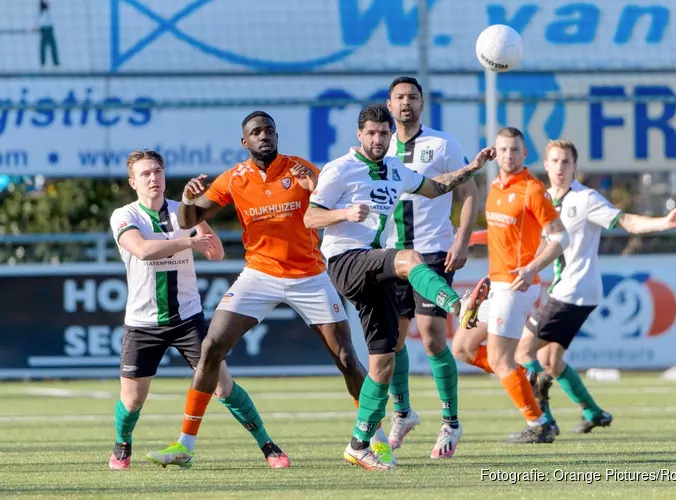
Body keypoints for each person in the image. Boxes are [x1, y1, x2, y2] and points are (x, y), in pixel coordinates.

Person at [146, 111, 372, 469]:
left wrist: (314, 186)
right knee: (212, 345)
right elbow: (189, 222)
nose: (263, 135)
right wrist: (189, 199)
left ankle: (368, 440)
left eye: (268, 130)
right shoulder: (235, 178)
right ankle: (185, 444)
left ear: (276, 136)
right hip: (259, 274)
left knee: (346, 357)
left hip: (309, 275)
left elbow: (334, 206)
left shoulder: (300, 168)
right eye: (255, 132)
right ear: (244, 142)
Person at [304, 104, 492, 471]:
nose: (377, 139)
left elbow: (436, 187)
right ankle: (457, 305)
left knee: (383, 363)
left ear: (391, 135)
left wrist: (471, 168)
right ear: (359, 135)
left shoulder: (395, 169)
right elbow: (311, 217)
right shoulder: (340, 169)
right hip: (346, 261)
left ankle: (359, 444)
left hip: (373, 267)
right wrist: (343, 214)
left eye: (383, 134)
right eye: (370, 133)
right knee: (408, 258)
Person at [109, 150, 277, 470]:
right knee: (132, 401)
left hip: (188, 319)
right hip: (143, 322)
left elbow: (215, 253)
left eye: (157, 171)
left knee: (223, 387)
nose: (153, 178)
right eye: (144, 174)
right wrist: (189, 242)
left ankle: (269, 446)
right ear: (133, 182)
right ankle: (122, 444)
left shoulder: (182, 212)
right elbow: (142, 251)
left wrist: (198, 223)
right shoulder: (124, 215)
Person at [512, 139, 676, 434]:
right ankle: (594, 413)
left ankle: (542, 423)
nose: (559, 167)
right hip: (573, 290)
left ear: (575, 167)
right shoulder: (541, 199)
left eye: (566, 162)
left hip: (573, 289)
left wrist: (664, 223)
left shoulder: (585, 199)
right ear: (545, 165)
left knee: (522, 352)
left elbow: (628, 222)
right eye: (554, 161)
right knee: (550, 360)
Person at [450, 127, 569, 444]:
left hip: (517, 285)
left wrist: (531, 268)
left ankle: (539, 423)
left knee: (502, 358)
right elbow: (502, 238)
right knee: (462, 347)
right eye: (502, 150)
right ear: (494, 152)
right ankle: (528, 377)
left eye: (514, 150)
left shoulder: (532, 189)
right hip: (498, 283)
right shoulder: (495, 186)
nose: (508, 155)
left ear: (524, 153)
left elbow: (560, 237)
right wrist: (474, 253)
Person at [382, 77, 480, 456]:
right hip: (390, 256)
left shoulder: (443, 144)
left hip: (435, 250)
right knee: (391, 341)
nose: (406, 103)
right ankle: (403, 413)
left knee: (433, 335)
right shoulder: (379, 145)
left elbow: (469, 192)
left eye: (412, 97)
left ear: (422, 104)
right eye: (399, 97)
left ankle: (451, 423)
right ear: (389, 105)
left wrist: (463, 239)